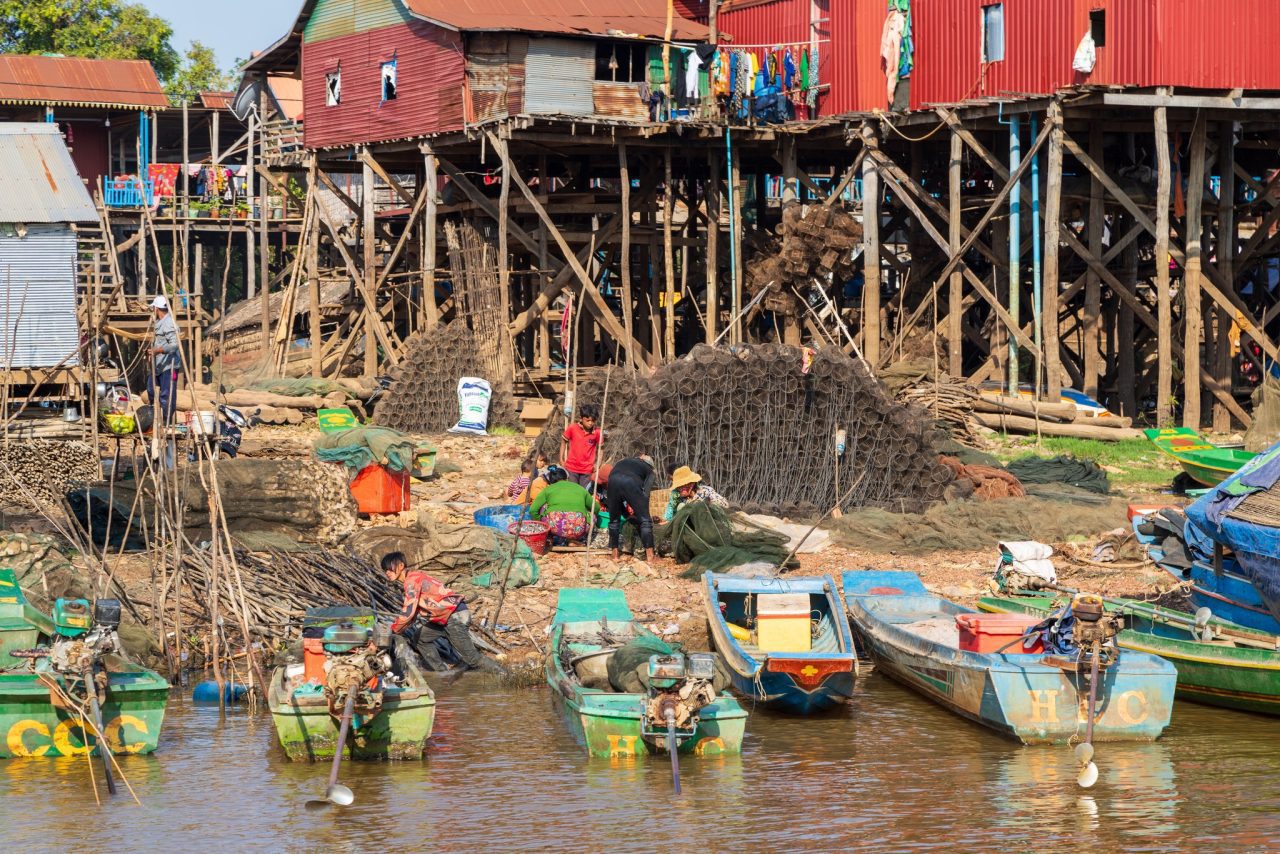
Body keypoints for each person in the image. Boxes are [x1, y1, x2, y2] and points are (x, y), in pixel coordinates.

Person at [382, 552, 502, 674]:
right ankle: (443, 673)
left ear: (401, 565)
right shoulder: (413, 579)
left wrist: (392, 630)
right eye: (385, 570)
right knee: (419, 638)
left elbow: (408, 612)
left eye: (389, 568)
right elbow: (412, 615)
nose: (387, 572)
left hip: (454, 616)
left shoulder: (412, 581)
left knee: (472, 658)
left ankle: (505, 675)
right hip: (444, 618)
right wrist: (397, 630)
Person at [530, 465, 602, 545]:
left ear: (551, 481)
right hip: (578, 529)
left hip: (554, 528)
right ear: (566, 478)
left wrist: (541, 521)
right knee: (592, 514)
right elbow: (596, 507)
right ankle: (575, 539)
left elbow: (533, 510)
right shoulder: (580, 488)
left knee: (543, 507)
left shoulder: (548, 489)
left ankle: (550, 537)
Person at [607, 454, 657, 562]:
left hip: (612, 480)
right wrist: (642, 512)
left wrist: (628, 515)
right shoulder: (650, 471)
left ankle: (614, 554)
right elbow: (645, 494)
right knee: (645, 520)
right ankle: (650, 556)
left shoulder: (623, 461)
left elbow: (618, 500)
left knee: (614, 520)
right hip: (631, 481)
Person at [147, 295, 181, 425]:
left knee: (167, 395)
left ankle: (167, 423)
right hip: (158, 365)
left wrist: (158, 350)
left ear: (156, 309)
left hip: (169, 366)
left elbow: (174, 345)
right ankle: (154, 420)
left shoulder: (169, 323)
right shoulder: (159, 323)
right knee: (151, 389)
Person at [662, 466, 729, 522]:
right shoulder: (679, 498)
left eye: (685, 485)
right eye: (679, 486)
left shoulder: (705, 491)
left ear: (692, 483)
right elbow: (671, 512)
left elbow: (725, 505)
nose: (681, 488)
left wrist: (707, 506)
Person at [560, 404, 602, 488]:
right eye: (588, 420)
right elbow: (563, 442)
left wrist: (598, 464)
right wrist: (561, 459)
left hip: (587, 470)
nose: (590, 423)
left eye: (593, 421)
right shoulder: (572, 428)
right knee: (572, 491)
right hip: (571, 468)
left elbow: (601, 449)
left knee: (584, 492)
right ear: (581, 418)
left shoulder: (597, 432)